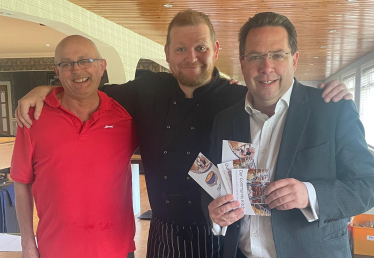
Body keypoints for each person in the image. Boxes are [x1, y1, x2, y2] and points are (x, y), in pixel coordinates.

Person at [15, 10, 352, 258]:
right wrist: (46, 88)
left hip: (225, 234)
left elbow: (280, 95)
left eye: (201, 48)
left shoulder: (240, 98)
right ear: (167, 54)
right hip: (165, 232)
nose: (191, 57)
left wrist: (326, 92)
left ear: (216, 50)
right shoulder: (144, 91)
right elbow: (85, 87)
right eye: (180, 49)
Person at [206, 12, 374, 258]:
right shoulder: (225, 120)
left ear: (294, 60)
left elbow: (368, 184)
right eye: (255, 56)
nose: (266, 67)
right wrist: (215, 216)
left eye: (277, 55)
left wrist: (311, 194)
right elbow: (212, 185)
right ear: (242, 62)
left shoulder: (332, 109)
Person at [11, 35, 137, 258]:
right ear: (57, 72)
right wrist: (27, 245)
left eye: (85, 60)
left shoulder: (124, 117)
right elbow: (22, 182)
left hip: (116, 249)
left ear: (101, 66)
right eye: (66, 64)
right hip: (56, 250)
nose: (77, 70)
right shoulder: (32, 118)